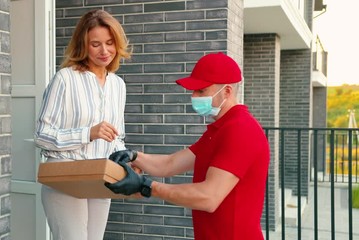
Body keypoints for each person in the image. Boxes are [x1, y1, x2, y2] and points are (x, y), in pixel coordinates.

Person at [106, 52, 270, 239]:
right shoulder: (219, 130)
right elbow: (170, 163)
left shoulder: (241, 130)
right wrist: (134, 156)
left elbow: (209, 197)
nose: (194, 96)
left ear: (227, 91)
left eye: (201, 91)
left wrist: (147, 186)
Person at [34, 9, 132, 240]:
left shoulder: (118, 85)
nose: (104, 50)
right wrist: (88, 133)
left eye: (110, 42)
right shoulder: (65, 79)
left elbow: (117, 137)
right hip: (65, 178)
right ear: (83, 45)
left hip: (100, 179)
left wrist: (127, 160)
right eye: (95, 44)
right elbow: (42, 135)